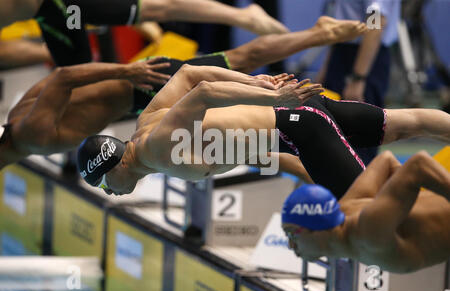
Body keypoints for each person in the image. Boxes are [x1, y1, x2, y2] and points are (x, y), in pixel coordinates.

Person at [0, 16, 368, 170]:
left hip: (141, 86)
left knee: (243, 59)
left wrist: (127, 69)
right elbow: (58, 81)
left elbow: (63, 76)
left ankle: (320, 34)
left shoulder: (28, 133)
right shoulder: (18, 121)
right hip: (135, 92)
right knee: (242, 62)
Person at [75, 64, 450, 198]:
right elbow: (189, 74)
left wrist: (273, 96)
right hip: (294, 114)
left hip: (296, 124)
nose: (112, 193)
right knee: (407, 124)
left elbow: (202, 94)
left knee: (371, 208)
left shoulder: (156, 149)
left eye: (105, 186)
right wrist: (262, 85)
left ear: (115, 167)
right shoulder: (146, 124)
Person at [282, 150, 450, 274]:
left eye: (291, 234)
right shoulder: (348, 205)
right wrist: (407, 203)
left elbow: (418, 165)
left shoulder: (369, 231)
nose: (290, 245)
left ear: (318, 228)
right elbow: (385, 160)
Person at [1, 0, 288, 66]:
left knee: (159, 9)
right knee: (75, 80)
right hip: (51, 14)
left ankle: (242, 15)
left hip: (63, 5)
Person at [319, 0, 401, 165]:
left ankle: (362, 184)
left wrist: (358, 77)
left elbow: (375, 25)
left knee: (360, 135)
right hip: (342, 54)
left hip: (363, 57)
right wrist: (325, 70)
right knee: (330, 129)